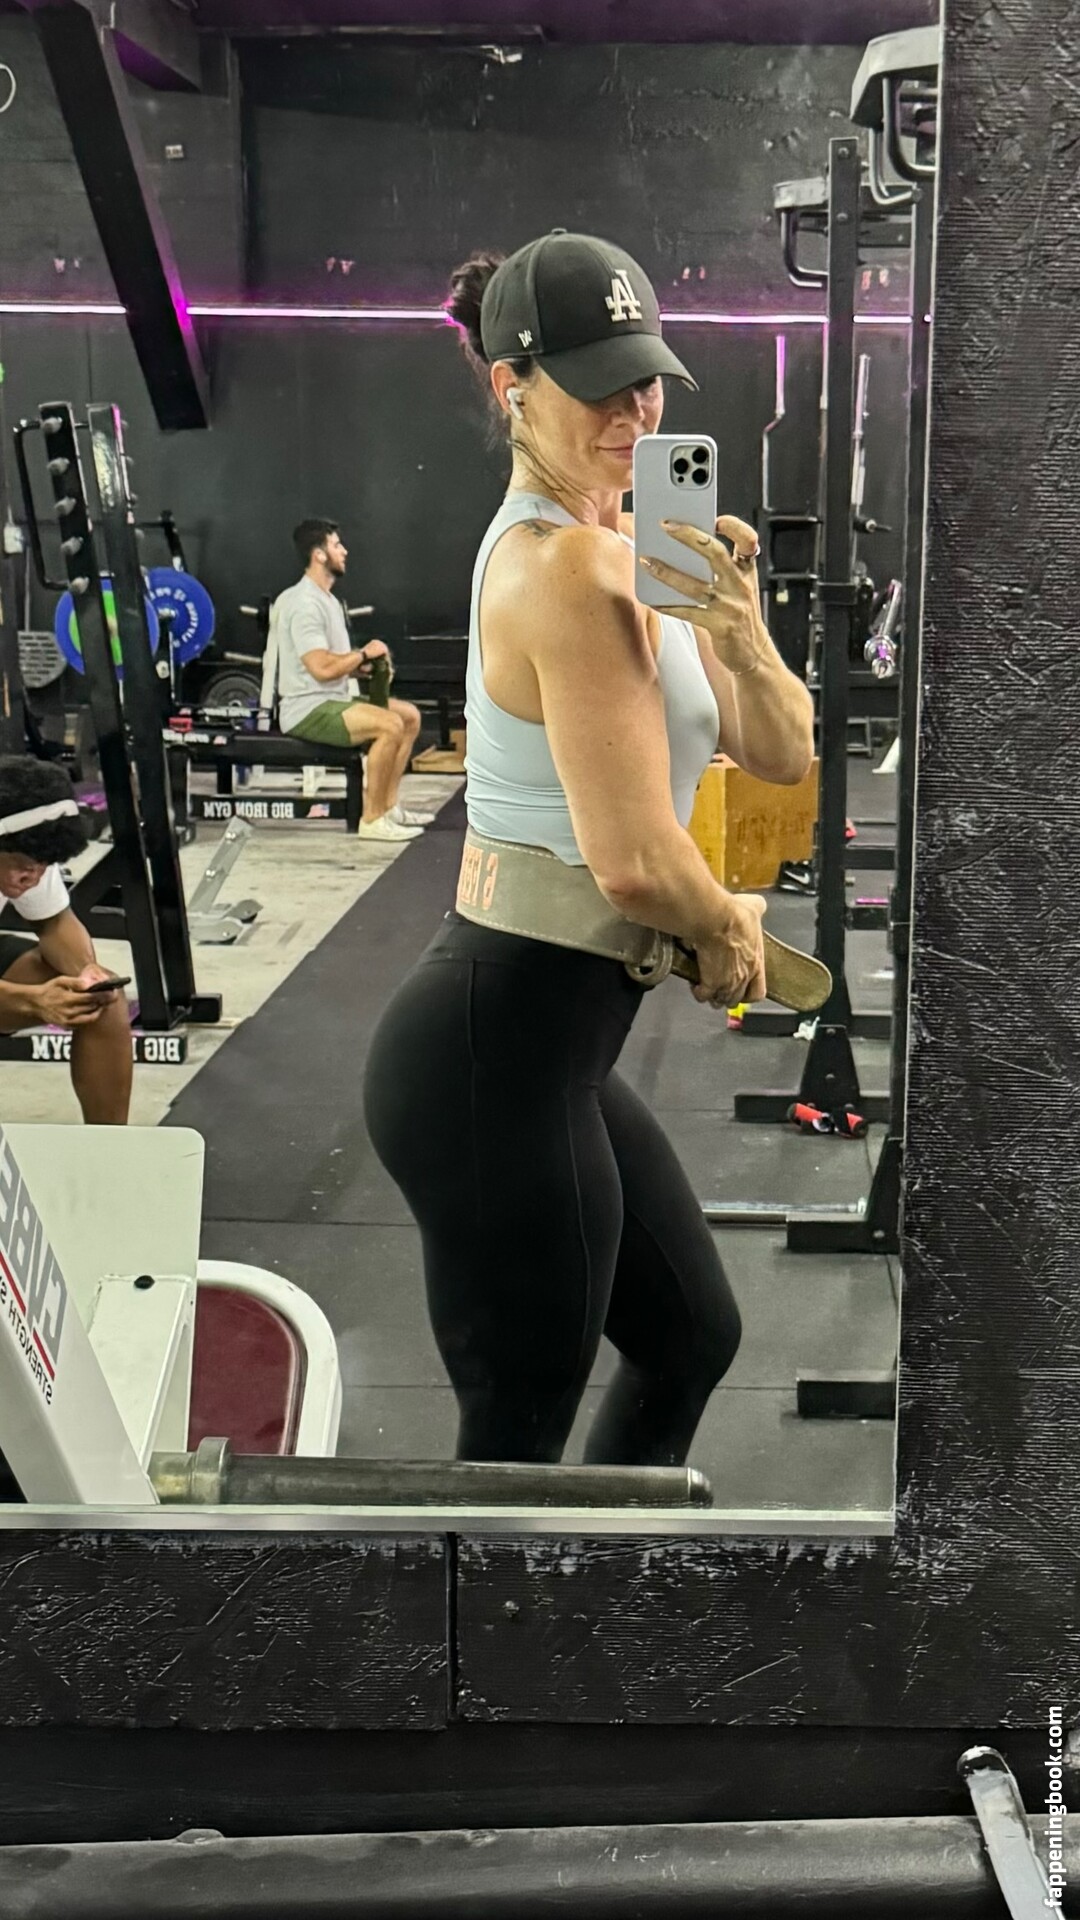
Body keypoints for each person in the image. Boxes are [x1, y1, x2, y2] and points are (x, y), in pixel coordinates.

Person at [363, 231, 815, 1472]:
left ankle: (598, 1590)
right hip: (490, 1049)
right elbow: (632, 864)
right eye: (599, 386)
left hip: (556, 1041)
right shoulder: (560, 567)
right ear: (513, 386)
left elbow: (782, 752)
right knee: (516, 1435)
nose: (636, 412)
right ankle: (502, 1608)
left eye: (647, 381)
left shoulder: (636, 549)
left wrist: (739, 625)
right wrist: (725, 926)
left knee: (691, 1338)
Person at [275, 519, 434, 843]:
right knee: (389, 725)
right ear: (319, 555)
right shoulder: (304, 603)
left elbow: (332, 663)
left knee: (409, 717)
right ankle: (372, 820)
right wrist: (363, 654)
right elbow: (321, 668)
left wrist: (361, 668)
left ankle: (388, 808)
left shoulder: (329, 601)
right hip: (305, 709)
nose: (344, 551)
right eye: (336, 545)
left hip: (330, 700)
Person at [0, 757, 132, 1124]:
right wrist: (34, 1000)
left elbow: (55, 921)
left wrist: (86, 972)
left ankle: (111, 1149)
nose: (32, 876)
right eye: (22, 863)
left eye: (42, 865)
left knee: (99, 1002)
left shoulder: (30, 852)